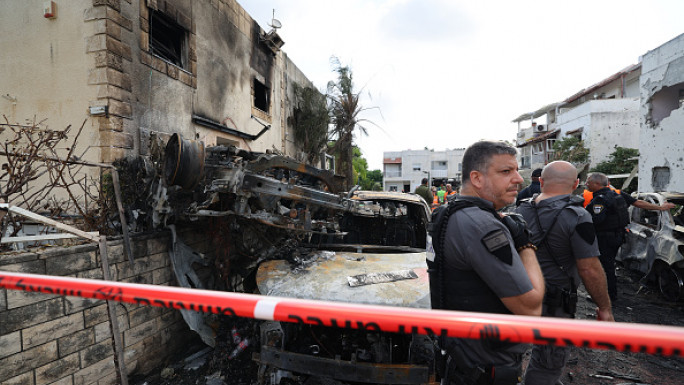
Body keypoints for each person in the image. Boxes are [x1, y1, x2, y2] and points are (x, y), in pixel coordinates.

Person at [427, 141, 544, 385]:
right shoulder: (483, 225)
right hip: (486, 368)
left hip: (463, 357)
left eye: (516, 170)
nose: (519, 179)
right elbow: (531, 307)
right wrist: (525, 244)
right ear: (477, 179)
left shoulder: (449, 212)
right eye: (506, 171)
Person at [516, 161, 614, 385]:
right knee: (547, 363)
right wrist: (605, 307)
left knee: (512, 354)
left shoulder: (519, 210)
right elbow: (589, 268)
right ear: (576, 184)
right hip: (555, 303)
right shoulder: (577, 216)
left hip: (518, 296)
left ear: (540, 182)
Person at [585, 172, 675, 302]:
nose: (586, 184)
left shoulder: (600, 199)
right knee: (609, 265)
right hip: (618, 236)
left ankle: (607, 296)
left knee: (605, 267)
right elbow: (638, 203)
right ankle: (610, 294)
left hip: (605, 237)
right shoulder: (618, 194)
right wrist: (660, 207)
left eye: (588, 182)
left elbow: (596, 221)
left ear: (597, 184)